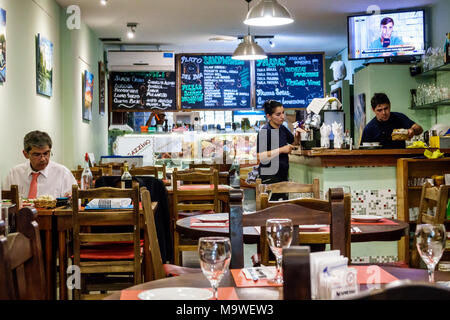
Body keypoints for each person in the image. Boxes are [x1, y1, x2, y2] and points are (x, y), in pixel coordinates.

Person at [4, 130, 77, 199]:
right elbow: (4, 202)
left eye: (46, 153)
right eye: (37, 154)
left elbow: (76, 201)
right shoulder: (14, 174)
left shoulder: (63, 173)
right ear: (25, 154)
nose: (43, 159)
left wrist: (70, 199)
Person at [257, 100, 304, 200]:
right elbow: (261, 156)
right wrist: (281, 150)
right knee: (272, 210)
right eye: (278, 114)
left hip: (283, 175)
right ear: (269, 116)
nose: (282, 117)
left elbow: (293, 144)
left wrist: (298, 136)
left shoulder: (282, 129)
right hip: (269, 177)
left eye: (283, 113)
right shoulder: (265, 131)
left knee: (283, 208)